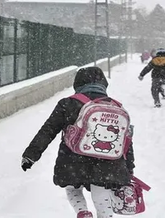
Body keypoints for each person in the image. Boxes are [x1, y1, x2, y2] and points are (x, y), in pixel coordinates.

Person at [21, 67, 135, 218]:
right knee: (101, 190)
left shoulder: (68, 104)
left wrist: (31, 155)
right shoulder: (116, 106)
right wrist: (129, 167)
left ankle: (82, 212)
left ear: (78, 83)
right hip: (108, 163)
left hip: (73, 159)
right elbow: (126, 141)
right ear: (103, 84)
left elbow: (48, 130)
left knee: (72, 189)